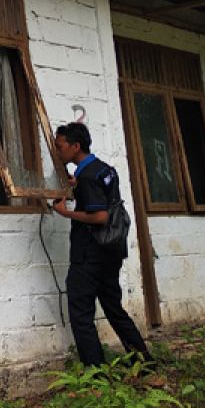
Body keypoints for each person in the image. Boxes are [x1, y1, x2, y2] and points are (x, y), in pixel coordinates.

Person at [50, 122, 150, 366]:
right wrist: (76, 186)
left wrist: (66, 213)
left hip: (89, 255)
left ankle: (96, 374)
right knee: (113, 308)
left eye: (59, 146)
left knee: (81, 314)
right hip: (110, 252)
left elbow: (100, 216)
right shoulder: (104, 169)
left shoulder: (87, 177)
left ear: (75, 146)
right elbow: (101, 197)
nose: (56, 150)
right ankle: (145, 364)